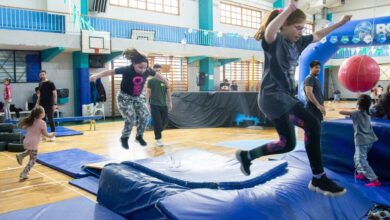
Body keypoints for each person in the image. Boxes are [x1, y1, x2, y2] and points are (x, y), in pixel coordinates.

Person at [235, 0, 351, 196]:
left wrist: (339, 23)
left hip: (282, 99)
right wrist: (289, 9)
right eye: (297, 28)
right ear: (283, 26)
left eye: (302, 28)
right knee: (313, 124)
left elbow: (318, 35)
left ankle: (247, 155)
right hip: (273, 97)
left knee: (286, 144)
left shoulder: (298, 42)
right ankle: (318, 178)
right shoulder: (274, 41)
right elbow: (270, 31)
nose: (300, 31)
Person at [90, 48, 169, 149]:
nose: (143, 70)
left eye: (145, 68)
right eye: (140, 67)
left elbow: (157, 75)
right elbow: (110, 72)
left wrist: (165, 81)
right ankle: (124, 137)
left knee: (144, 115)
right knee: (131, 118)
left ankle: (139, 136)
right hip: (124, 97)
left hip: (137, 96)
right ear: (134, 64)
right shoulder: (127, 69)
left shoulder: (147, 70)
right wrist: (97, 75)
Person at [339, 94, 381, 187]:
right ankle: (361, 173)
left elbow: (341, 111)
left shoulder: (356, 113)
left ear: (359, 104)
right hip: (370, 140)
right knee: (356, 157)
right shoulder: (368, 113)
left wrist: (354, 109)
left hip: (362, 141)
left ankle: (374, 179)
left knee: (362, 160)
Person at [15, 106, 56, 180]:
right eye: (43, 112)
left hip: (27, 140)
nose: (44, 113)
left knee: (30, 151)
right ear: (40, 114)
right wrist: (52, 135)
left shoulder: (31, 121)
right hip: (33, 143)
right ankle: (24, 173)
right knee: (33, 160)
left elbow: (22, 127)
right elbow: (46, 134)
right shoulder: (42, 123)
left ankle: (20, 155)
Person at [145, 64, 173, 147]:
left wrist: (170, 102)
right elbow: (148, 92)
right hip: (154, 104)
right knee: (157, 122)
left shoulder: (165, 80)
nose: (157, 72)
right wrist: (147, 102)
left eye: (159, 70)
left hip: (163, 104)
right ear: (153, 71)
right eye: (155, 71)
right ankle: (158, 139)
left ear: (161, 70)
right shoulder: (150, 81)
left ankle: (157, 129)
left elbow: (168, 92)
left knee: (164, 122)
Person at [36, 70, 57, 141]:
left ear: (46, 75)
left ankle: (53, 135)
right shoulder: (40, 84)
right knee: (43, 120)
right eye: (41, 75)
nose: (42, 76)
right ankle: (44, 135)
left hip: (49, 104)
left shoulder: (51, 83)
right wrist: (37, 104)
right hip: (42, 104)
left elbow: (55, 94)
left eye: (43, 74)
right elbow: (39, 95)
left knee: (51, 119)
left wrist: (55, 104)